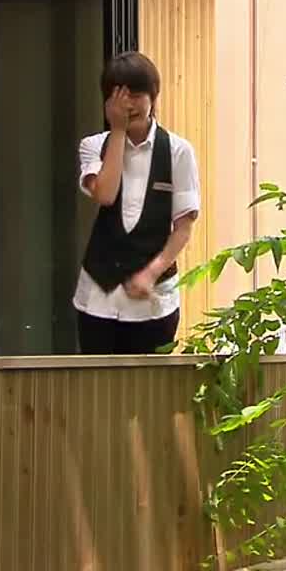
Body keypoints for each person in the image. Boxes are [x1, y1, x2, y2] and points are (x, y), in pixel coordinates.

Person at [74, 51, 200, 354]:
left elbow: (183, 228)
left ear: (152, 97)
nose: (128, 104)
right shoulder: (93, 146)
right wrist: (117, 131)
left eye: (136, 94)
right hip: (98, 299)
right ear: (107, 102)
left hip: (155, 302)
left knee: (151, 382)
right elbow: (105, 195)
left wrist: (151, 273)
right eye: (119, 96)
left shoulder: (178, 151)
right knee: (96, 381)